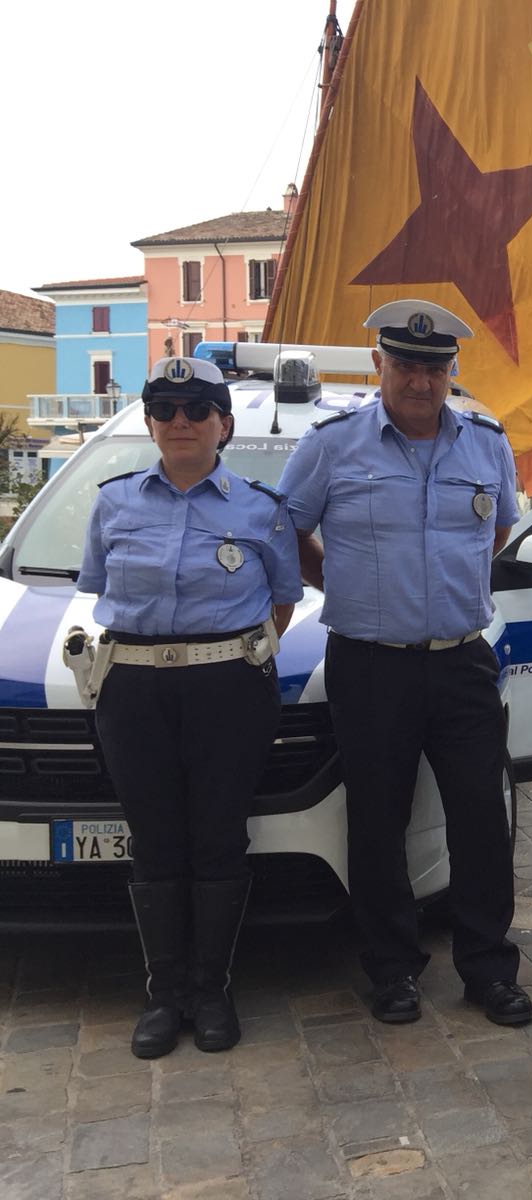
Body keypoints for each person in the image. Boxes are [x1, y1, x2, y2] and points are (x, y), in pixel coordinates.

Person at [275, 299, 532, 1027]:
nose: (421, 379)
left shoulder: (485, 440)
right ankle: (392, 969)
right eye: (407, 364)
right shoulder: (333, 443)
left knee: (481, 818)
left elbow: (500, 527)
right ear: (380, 365)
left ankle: (487, 969)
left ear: (452, 370)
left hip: (461, 661)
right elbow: (288, 529)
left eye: (435, 366)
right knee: (378, 821)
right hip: (369, 662)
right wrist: (352, 586)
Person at [77, 356, 302, 1058]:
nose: (181, 421)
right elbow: (94, 587)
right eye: (166, 409)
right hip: (134, 687)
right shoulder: (113, 502)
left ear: (222, 425)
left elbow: (284, 601)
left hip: (227, 689)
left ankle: (212, 990)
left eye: (197, 410)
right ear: (149, 422)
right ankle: (163, 993)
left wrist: (239, 660)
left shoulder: (260, 510)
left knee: (217, 837)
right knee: (155, 839)